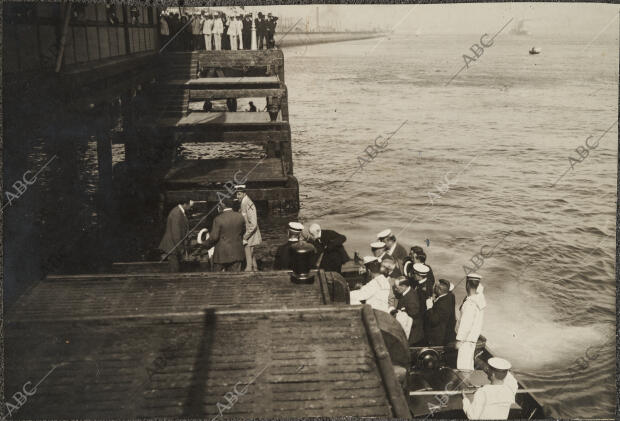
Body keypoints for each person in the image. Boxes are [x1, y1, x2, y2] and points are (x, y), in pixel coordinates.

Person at [202, 197, 245, 272]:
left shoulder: (218, 219)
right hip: (237, 252)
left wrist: (204, 244)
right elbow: (243, 232)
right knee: (235, 279)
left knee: (216, 278)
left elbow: (214, 237)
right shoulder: (240, 217)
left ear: (223, 205)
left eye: (220, 204)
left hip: (221, 254)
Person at [456, 273, 487, 371]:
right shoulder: (479, 298)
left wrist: (459, 341)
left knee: (463, 367)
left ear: (467, 285)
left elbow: (466, 325)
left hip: (466, 340)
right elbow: (480, 288)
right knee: (469, 365)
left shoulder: (470, 304)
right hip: (473, 338)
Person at [159, 199, 194, 272]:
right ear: (185, 204)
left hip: (175, 245)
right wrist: (181, 249)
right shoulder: (177, 213)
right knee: (175, 270)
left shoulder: (179, 212)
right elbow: (176, 234)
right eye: (190, 206)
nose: (191, 208)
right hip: (173, 246)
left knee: (176, 268)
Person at [390, 277, 425, 345]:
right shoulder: (407, 292)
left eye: (396, 287)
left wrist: (398, 312)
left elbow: (413, 313)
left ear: (403, 286)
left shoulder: (412, 298)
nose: (395, 289)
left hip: (412, 334)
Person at [235, 185, 261, 272]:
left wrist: (245, 236)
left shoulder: (247, 203)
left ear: (244, 193)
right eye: (236, 194)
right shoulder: (244, 202)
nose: (237, 197)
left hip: (250, 233)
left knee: (248, 256)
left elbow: (253, 224)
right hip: (249, 232)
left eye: (239, 194)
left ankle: (249, 271)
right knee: (251, 254)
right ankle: (255, 268)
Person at [424, 279, 457, 346]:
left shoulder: (443, 305)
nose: (433, 288)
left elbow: (433, 320)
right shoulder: (448, 297)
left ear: (439, 290)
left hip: (437, 338)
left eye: (435, 287)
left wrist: (429, 308)